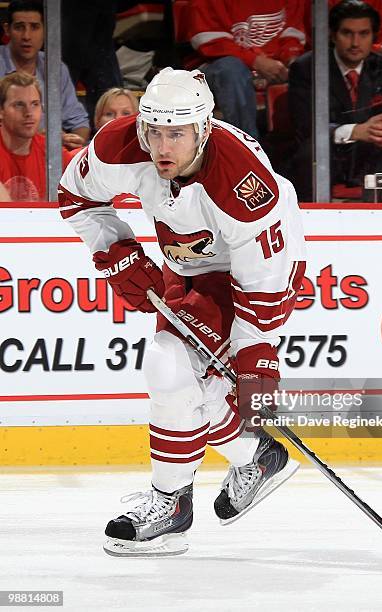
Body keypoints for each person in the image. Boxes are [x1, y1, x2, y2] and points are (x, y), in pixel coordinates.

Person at [58, 67, 306, 556]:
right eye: (154, 132)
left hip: (251, 272)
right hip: (185, 264)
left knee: (172, 366)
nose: (162, 146)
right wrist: (114, 251)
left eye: (177, 133)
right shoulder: (120, 146)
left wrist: (255, 356)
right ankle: (251, 458)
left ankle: (175, 500)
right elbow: (75, 195)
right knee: (176, 373)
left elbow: (263, 290)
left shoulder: (245, 188)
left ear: (204, 128)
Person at [288, 0, 382, 201]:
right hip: (330, 156)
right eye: (347, 33)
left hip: (371, 157)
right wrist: (355, 131)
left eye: (363, 34)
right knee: (310, 151)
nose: (355, 43)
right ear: (333, 35)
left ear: (374, 36)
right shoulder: (306, 68)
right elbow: (305, 127)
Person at [188, 0, 306, 140]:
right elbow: (210, 42)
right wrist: (256, 61)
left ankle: (301, 151)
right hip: (217, 65)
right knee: (232, 71)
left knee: (307, 66)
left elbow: (292, 35)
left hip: (274, 65)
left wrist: (290, 60)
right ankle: (248, 149)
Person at [0, 0, 90, 150]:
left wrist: (74, 140)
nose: (26, 36)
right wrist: (41, 138)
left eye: (34, 27)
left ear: (45, 30)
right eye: (19, 27)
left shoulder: (57, 68)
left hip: (49, 155)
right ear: (7, 29)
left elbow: (79, 121)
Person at [0, 72, 71, 200]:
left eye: (35, 104)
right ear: (1, 111)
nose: (28, 113)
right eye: (19, 104)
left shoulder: (52, 153)